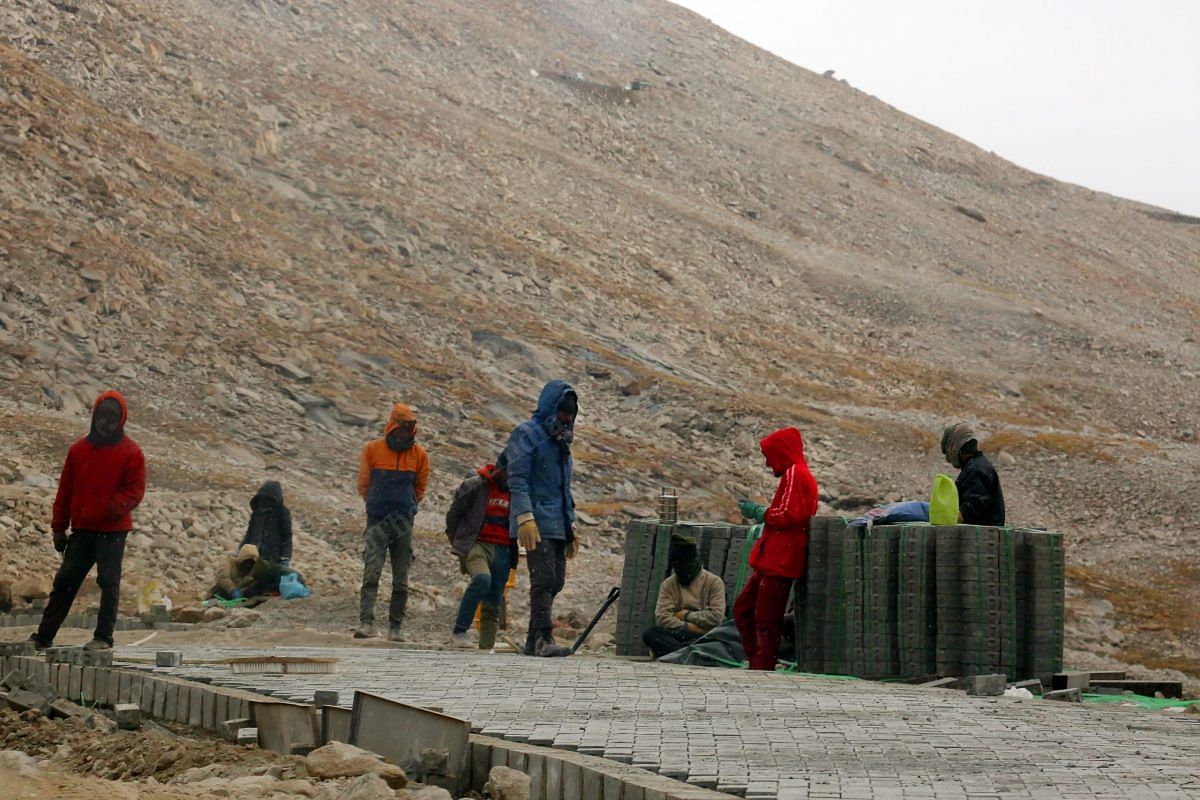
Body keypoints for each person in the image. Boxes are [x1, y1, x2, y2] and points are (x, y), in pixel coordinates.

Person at [30, 391, 146, 651]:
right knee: (65, 582)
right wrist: (58, 528)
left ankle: (103, 637)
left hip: (112, 530)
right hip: (82, 530)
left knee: (108, 582)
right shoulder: (78, 451)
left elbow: (135, 491)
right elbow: (65, 491)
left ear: (121, 420)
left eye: (112, 417)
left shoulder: (131, 453)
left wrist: (110, 508)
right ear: (94, 416)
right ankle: (44, 636)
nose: (106, 422)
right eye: (102, 415)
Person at [734, 426, 818, 671]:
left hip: (779, 562)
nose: (769, 464)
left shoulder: (795, 474)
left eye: (770, 457)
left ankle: (763, 664)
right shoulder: (795, 475)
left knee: (765, 619)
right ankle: (758, 661)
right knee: (745, 610)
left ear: (781, 453)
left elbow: (787, 516)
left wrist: (759, 513)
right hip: (771, 561)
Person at [506, 380, 579, 658]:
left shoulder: (561, 444)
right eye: (562, 412)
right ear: (551, 408)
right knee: (545, 578)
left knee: (556, 580)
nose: (566, 419)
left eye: (570, 414)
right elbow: (518, 479)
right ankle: (543, 637)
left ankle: (533, 639)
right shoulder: (527, 435)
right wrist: (524, 516)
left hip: (557, 521)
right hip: (536, 520)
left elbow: (564, 487)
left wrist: (570, 523)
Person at [355, 403, 430, 641]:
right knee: (372, 571)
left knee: (401, 577)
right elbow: (363, 484)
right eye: (403, 427)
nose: (406, 433)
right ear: (393, 426)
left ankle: (395, 627)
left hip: (403, 521)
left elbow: (420, 487)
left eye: (410, 428)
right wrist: (376, 504)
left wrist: (407, 506)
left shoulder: (419, 455)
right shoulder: (373, 450)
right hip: (377, 518)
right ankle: (366, 622)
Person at [444, 453, 513, 649]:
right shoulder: (476, 485)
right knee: (482, 580)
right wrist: (458, 541)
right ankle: (460, 630)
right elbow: (454, 513)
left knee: (494, 598)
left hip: (504, 549)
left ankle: (486, 647)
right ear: (499, 469)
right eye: (508, 471)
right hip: (477, 544)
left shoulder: (518, 491)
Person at [641, 534, 726, 659]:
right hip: (681, 633)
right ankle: (689, 653)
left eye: (683, 564)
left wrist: (686, 615)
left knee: (719, 640)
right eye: (676, 566)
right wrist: (689, 627)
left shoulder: (714, 582)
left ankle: (679, 654)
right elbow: (662, 617)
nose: (679, 569)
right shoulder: (669, 584)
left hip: (705, 634)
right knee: (651, 634)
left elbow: (716, 617)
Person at [940, 422, 1005, 525]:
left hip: (980, 536)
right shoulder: (976, 466)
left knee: (918, 509)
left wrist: (943, 518)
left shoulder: (976, 469)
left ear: (955, 448)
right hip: (978, 534)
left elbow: (973, 508)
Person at [238, 480, 294, 592]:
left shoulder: (282, 513)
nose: (265, 502)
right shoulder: (257, 512)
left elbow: (287, 537)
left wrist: (285, 558)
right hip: (253, 553)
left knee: (264, 583)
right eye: (263, 499)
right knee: (246, 579)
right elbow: (250, 532)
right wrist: (241, 549)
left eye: (268, 499)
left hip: (272, 556)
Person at [209, 543, 274, 601]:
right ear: (241, 558)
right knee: (212, 602)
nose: (248, 565)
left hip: (233, 599)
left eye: (251, 563)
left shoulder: (251, 575)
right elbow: (222, 577)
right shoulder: (229, 561)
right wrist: (232, 590)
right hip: (219, 594)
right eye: (246, 562)